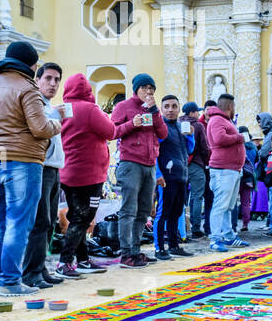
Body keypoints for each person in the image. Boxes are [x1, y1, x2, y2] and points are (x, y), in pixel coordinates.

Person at [0, 41, 61, 295]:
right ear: (31, 65)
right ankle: (11, 281)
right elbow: (40, 128)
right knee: (18, 222)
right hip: (22, 160)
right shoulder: (27, 88)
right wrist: (57, 123)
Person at [57, 73, 115, 278]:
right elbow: (111, 132)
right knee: (84, 218)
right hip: (89, 174)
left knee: (75, 217)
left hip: (67, 172)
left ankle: (82, 260)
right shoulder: (90, 109)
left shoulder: (62, 109)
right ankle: (65, 262)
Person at [112, 74, 168, 268]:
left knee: (144, 210)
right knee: (129, 209)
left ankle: (136, 251)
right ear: (136, 89)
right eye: (144, 87)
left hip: (150, 164)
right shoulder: (124, 107)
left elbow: (163, 133)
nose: (149, 91)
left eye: (151, 88)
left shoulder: (153, 110)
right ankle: (126, 253)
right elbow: (112, 131)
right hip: (131, 163)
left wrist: (155, 111)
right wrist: (131, 124)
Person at [21, 62, 67, 289]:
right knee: (40, 221)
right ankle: (31, 271)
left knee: (49, 223)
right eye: (48, 78)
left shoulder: (49, 105)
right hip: (40, 166)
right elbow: (37, 128)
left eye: (57, 79)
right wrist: (54, 115)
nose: (53, 83)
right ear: (37, 80)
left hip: (53, 167)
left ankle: (41, 267)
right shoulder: (36, 103)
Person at [205, 93, 247, 251]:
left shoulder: (224, 120)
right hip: (223, 169)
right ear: (230, 106)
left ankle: (229, 236)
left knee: (228, 206)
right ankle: (215, 239)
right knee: (220, 205)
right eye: (233, 106)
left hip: (232, 169)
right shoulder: (217, 120)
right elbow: (219, 139)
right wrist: (239, 138)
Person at [155, 94, 193, 259]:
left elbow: (189, 150)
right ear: (162, 109)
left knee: (176, 213)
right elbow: (154, 152)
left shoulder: (180, 127)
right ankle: (159, 249)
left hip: (181, 177)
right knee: (163, 213)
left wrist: (191, 136)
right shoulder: (160, 127)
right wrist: (158, 174)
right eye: (167, 106)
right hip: (166, 178)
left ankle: (173, 245)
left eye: (174, 106)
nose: (170, 110)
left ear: (179, 108)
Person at [183, 102, 211, 241]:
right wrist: (206, 161)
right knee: (197, 196)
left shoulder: (177, 123)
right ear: (192, 113)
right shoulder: (198, 125)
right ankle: (195, 229)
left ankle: (180, 229)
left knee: (180, 197)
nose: (199, 114)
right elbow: (204, 146)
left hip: (180, 164)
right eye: (197, 112)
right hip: (195, 163)